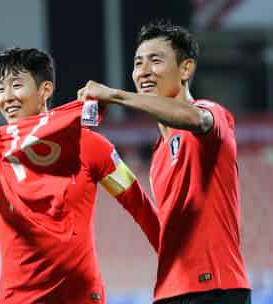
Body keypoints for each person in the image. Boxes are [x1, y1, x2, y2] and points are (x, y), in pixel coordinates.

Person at [0, 47, 160, 304]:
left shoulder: (91, 146)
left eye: (16, 85)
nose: (7, 97)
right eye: (0, 89)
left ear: (45, 90)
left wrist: (177, 269)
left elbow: (141, 207)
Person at [77, 21, 251, 304]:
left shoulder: (211, 115)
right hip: (169, 292)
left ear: (185, 69)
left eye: (155, 60)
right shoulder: (159, 154)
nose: (143, 71)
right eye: (138, 63)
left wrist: (116, 95)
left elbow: (197, 119)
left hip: (215, 287)